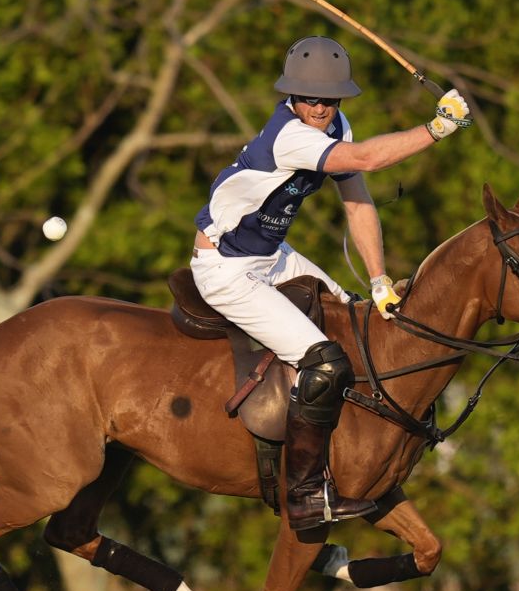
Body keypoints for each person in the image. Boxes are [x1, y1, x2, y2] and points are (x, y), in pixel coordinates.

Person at [191, 36, 469, 531]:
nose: (320, 108)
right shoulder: (290, 136)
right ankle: (302, 494)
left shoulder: (334, 125)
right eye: (310, 98)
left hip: (271, 257)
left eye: (330, 99)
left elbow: (357, 200)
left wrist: (380, 280)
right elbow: (364, 161)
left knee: (357, 322)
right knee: (324, 359)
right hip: (226, 269)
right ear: (292, 96)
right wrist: (436, 129)